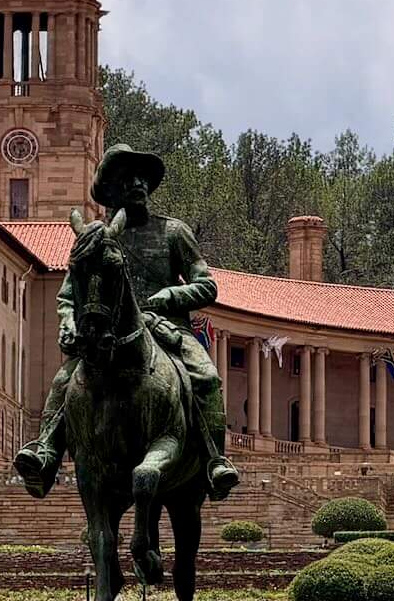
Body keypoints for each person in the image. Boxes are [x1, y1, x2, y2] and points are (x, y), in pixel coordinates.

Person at [15, 143, 242, 502]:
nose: (137, 184)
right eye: (127, 178)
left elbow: (206, 285)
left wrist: (172, 295)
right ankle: (45, 454)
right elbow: (68, 294)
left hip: (166, 328)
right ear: (111, 190)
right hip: (105, 335)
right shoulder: (96, 238)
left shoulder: (173, 232)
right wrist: (67, 322)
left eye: (142, 178)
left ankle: (215, 461)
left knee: (207, 377)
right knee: (63, 381)